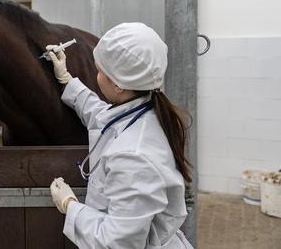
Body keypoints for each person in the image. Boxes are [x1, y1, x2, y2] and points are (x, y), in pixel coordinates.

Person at [46, 22, 193, 249]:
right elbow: (101, 115)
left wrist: (70, 205)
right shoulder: (145, 108)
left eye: (100, 71)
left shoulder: (135, 157)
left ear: (118, 86)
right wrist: (66, 79)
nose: (97, 75)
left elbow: (118, 244)